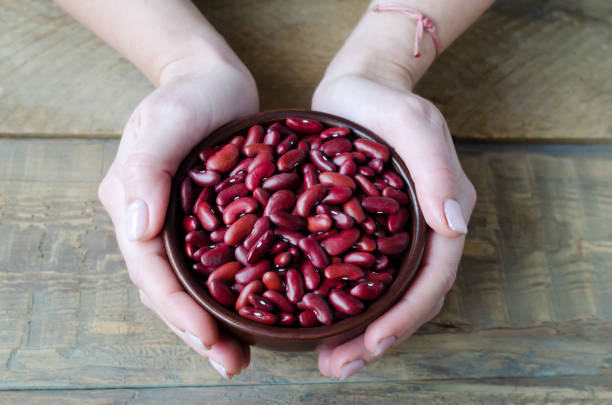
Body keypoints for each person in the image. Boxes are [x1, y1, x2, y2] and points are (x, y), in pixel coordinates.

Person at [54, 0, 485, 380]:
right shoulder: (264, 222)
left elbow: (302, 239)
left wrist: (384, 62)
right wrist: (180, 59)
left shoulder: (316, 214)